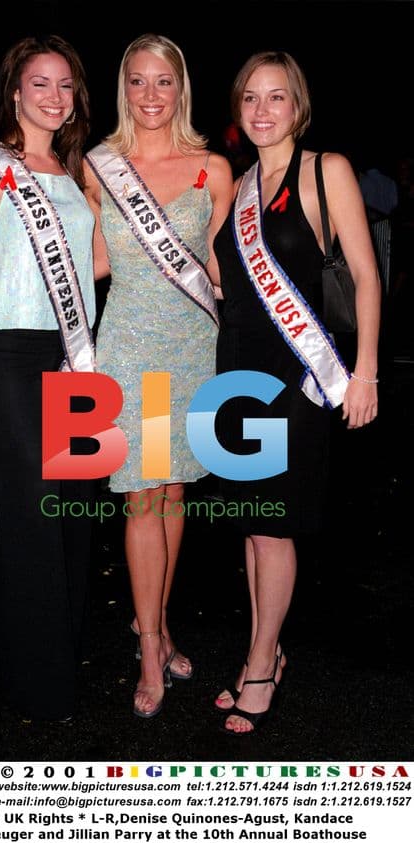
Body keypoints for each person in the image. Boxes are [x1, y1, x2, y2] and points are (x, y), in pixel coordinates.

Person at [213, 51, 380, 734]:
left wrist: (365, 371)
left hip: (296, 379)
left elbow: (366, 275)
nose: (260, 110)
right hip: (235, 373)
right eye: (249, 97)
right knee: (252, 525)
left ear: (297, 105)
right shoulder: (240, 183)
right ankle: (268, 648)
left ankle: (258, 664)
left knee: (274, 527)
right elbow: (228, 284)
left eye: (275, 98)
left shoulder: (324, 169)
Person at [84, 33, 233, 718]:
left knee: (173, 497)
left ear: (181, 88)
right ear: (124, 89)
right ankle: (148, 644)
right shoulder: (99, 167)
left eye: (163, 81)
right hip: (134, 350)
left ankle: (161, 621)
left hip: (190, 348)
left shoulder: (212, 168)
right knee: (144, 499)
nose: (150, 95)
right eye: (138, 81)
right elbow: (90, 265)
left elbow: (218, 265)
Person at [0, 35, 96, 722]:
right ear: (15, 91)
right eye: (40, 84)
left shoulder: (77, 172)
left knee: (71, 514)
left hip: (74, 352)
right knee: (32, 513)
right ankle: (41, 688)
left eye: (65, 85)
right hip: (6, 353)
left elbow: (96, 266)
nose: (54, 97)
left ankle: (58, 657)